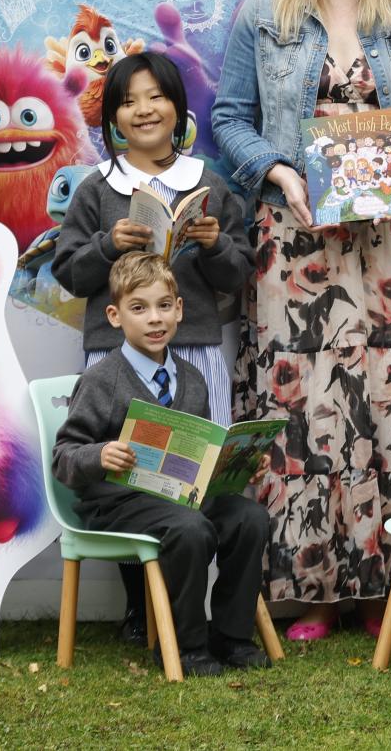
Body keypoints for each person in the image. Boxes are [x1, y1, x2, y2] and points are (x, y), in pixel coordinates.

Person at [211, 0, 391, 641]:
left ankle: (390, 582)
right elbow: (227, 120)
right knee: (308, 407)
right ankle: (314, 587)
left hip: (389, 245)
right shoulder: (263, 14)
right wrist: (278, 170)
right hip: (298, 243)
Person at [51, 51, 252, 644]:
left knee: (196, 478)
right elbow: (69, 273)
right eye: (128, 101)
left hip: (194, 354)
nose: (144, 110)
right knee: (131, 476)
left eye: (155, 97)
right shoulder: (96, 190)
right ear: (112, 116)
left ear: (177, 108)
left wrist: (215, 245)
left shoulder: (209, 184)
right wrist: (107, 244)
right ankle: (143, 610)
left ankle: (198, 608)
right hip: (120, 358)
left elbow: (236, 275)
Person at [50, 254, 273, 678]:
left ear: (180, 309)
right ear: (114, 316)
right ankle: (187, 645)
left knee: (249, 518)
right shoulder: (102, 380)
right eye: (140, 308)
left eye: (164, 306)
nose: (155, 319)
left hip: (178, 496)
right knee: (189, 528)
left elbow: (200, 456)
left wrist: (238, 465)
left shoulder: (192, 378)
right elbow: (64, 456)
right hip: (118, 502)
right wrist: (100, 454)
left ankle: (231, 636)